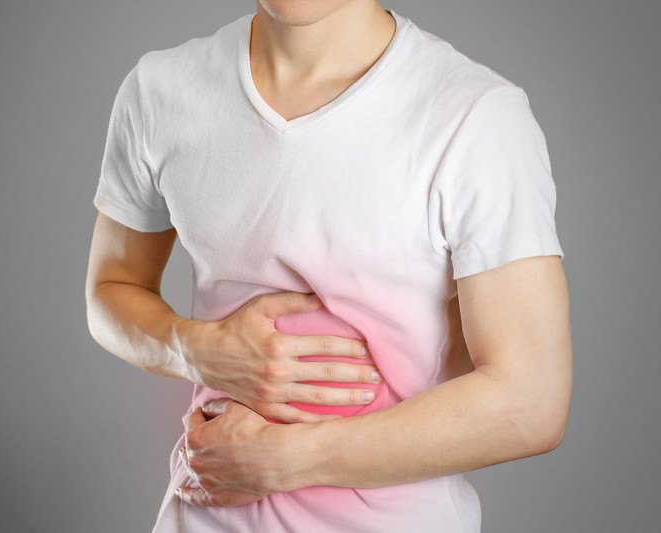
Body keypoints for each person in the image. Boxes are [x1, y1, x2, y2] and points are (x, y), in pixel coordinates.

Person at [84, 1, 573, 531]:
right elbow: (111, 289)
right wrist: (196, 350)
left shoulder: (475, 114)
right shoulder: (160, 90)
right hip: (203, 512)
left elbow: (531, 402)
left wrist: (292, 459)